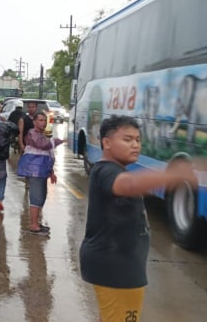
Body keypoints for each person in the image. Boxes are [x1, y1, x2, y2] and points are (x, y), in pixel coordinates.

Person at [79, 115, 196, 322]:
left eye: (138, 140)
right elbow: (128, 185)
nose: (135, 145)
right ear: (106, 143)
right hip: (116, 270)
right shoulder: (106, 170)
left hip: (119, 266)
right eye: (127, 139)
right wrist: (175, 175)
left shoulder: (114, 169)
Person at [23, 112, 64, 235]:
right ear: (34, 122)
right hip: (35, 171)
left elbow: (47, 154)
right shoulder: (32, 133)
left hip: (41, 171)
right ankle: (34, 225)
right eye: (40, 120)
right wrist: (56, 141)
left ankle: (37, 222)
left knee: (41, 196)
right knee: (36, 197)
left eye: (44, 120)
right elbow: (43, 145)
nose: (43, 123)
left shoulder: (41, 134)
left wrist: (51, 172)